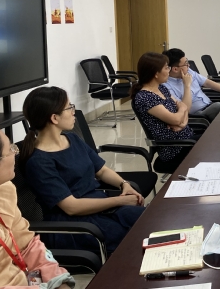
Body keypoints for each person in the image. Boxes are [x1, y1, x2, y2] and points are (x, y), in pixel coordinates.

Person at [19, 87, 145, 256]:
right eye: (69, 107)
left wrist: (124, 184)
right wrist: (119, 200)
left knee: (149, 221)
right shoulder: (38, 162)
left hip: (100, 208)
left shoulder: (72, 139)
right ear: (54, 118)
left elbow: (101, 170)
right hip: (75, 226)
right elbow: (71, 207)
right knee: (136, 242)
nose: (74, 112)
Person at [0, 127, 76, 289]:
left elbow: (26, 244)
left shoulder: (4, 189)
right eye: (10, 149)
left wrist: (57, 279)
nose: (15, 153)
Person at [131, 52, 198, 164]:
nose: (169, 71)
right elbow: (177, 117)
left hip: (187, 139)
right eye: (167, 68)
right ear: (156, 74)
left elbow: (184, 108)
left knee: (214, 139)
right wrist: (180, 113)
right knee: (213, 145)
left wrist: (182, 124)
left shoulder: (161, 88)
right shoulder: (145, 97)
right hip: (175, 149)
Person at [162, 48, 220, 123]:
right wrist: (187, 85)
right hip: (198, 115)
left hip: (209, 105)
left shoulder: (188, 71)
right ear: (175, 69)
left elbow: (206, 82)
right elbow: (185, 110)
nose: (188, 66)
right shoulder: (167, 86)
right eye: (186, 64)